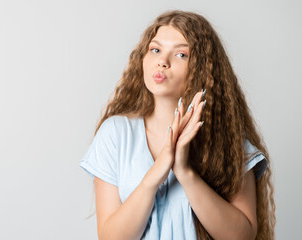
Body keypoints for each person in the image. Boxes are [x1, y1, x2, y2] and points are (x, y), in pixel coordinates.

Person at [79, 10, 275, 240]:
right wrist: (154, 176)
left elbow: (241, 236)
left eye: (181, 55)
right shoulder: (115, 134)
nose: (162, 61)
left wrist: (185, 172)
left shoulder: (229, 139)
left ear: (203, 69)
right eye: (156, 50)